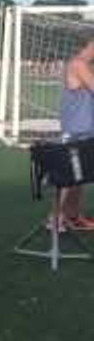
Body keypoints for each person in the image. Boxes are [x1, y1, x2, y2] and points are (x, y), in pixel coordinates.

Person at [57, 37, 94, 230]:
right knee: (70, 177)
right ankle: (54, 219)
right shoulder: (78, 64)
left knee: (80, 176)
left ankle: (72, 216)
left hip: (85, 130)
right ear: (90, 44)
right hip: (75, 131)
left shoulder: (84, 65)